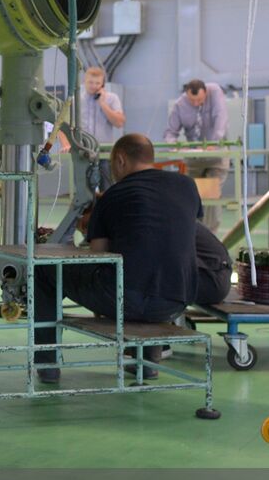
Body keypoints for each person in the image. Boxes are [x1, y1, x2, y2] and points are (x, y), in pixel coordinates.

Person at [32, 134, 201, 382]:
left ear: (120, 160)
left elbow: (99, 257)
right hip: (177, 300)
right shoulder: (187, 186)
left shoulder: (113, 196)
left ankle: (47, 364)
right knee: (147, 272)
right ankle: (145, 364)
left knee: (44, 270)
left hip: (126, 301)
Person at [164, 78, 229, 230]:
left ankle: (210, 235)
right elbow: (170, 131)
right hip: (194, 158)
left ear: (205, 92)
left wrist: (214, 142)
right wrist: (173, 146)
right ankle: (193, 234)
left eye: (199, 100)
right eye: (191, 100)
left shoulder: (214, 92)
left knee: (212, 195)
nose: (195, 104)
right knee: (192, 195)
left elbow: (221, 118)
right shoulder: (180, 104)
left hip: (216, 156)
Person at [60, 66, 124, 186]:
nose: (94, 86)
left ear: (103, 83)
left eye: (97, 83)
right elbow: (61, 125)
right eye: (90, 82)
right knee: (83, 190)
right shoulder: (75, 100)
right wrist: (66, 144)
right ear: (84, 81)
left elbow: (119, 122)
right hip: (82, 150)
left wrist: (103, 104)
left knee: (107, 188)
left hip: (104, 151)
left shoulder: (112, 98)